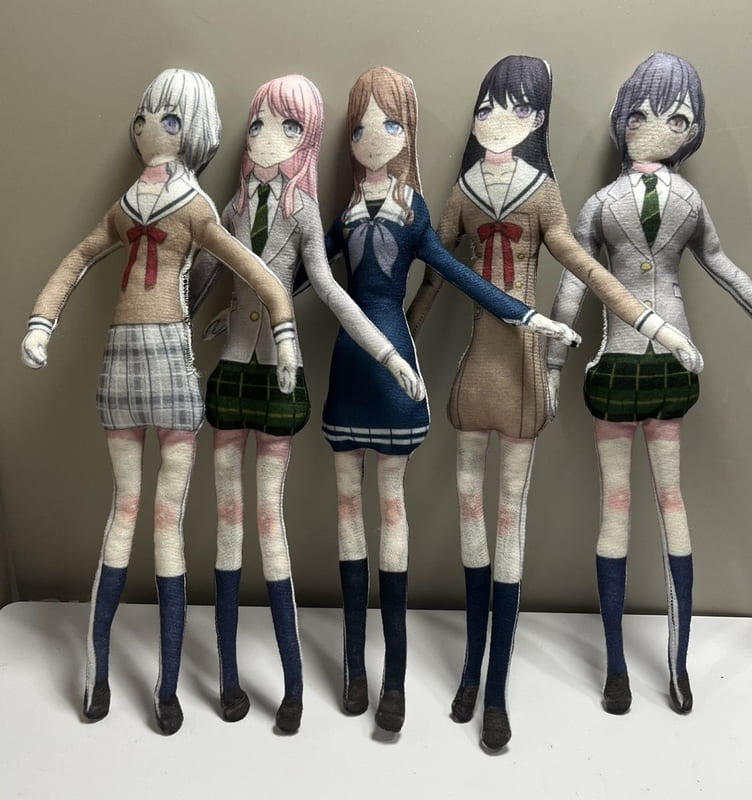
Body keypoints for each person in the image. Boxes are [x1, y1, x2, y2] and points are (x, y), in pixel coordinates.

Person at [406, 54, 703, 750]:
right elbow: (433, 275)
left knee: (509, 524)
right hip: (473, 371)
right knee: (471, 521)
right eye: (486, 107)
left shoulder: (544, 194)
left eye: (515, 108)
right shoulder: (462, 193)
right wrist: (396, 341)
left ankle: (496, 687)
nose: (495, 120)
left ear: (538, 118)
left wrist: (657, 329)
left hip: (524, 374)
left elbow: (587, 269)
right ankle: (470, 670)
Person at [21, 68, 298, 735]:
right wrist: (40, 322)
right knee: (125, 511)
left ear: (191, 132)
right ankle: (97, 674)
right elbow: (78, 258)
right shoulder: (124, 208)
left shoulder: (197, 207)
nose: (149, 127)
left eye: (168, 119)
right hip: (122, 371)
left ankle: (167, 689)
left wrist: (285, 332)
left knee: (165, 523)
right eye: (145, 115)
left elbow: (254, 271)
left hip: (174, 369)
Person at [325, 65, 580, 735]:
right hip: (348, 367)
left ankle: (398, 678)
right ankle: (355, 666)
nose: (373, 137)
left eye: (389, 124)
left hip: (399, 372)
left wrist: (529, 318)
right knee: (349, 511)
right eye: (360, 127)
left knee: (393, 510)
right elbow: (307, 272)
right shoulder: (342, 214)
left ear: (408, 132)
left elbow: (455, 274)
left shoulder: (415, 212)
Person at [547, 52, 752, 716]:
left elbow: (723, 266)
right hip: (614, 364)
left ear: (692, 130)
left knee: (669, 501)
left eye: (676, 118)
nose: (656, 127)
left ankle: (678, 663)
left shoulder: (688, 202)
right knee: (617, 507)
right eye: (642, 114)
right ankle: (615, 666)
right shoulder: (600, 205)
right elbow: (574, 278)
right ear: (621, 120)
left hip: (671, 367)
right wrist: (551, 360)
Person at [189, 75, 423, 732]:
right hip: (231, 371)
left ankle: (292, 684)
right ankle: (229, 678)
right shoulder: (233, 207)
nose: (269, 137)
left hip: (281, 379)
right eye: (260, 123)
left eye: (289, 127)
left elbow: (326, 286)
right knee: (227, 523)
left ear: (310, 138)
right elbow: (208, 273)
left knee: (270, 522)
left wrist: (388, 352)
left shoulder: (303, 213)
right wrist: (178, 320)